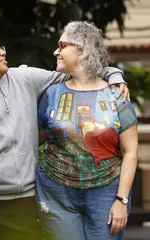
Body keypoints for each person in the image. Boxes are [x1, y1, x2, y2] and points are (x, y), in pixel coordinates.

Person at [0, 27, 129, 240]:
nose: (3, 52)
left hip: (25, 202)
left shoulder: (24, 78)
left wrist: (115, 75)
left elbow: (79, 72)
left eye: (1, 46)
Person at [36, 21, 138, 240]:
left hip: (106, 191)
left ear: (82, 50)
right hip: (56, 193)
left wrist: (121, 200)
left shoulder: (116, 96)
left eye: (62, 45)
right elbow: (35, 139)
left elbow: (131, 152)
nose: (56, 51)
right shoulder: (52, 93)